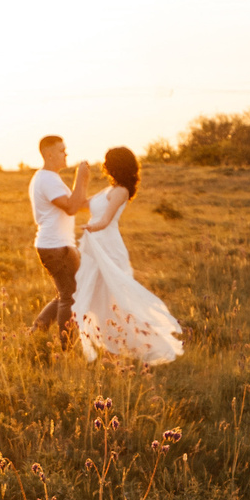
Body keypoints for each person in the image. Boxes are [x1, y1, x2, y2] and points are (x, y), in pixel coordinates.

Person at [70, 145, 184, 365]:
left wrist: (90, 228)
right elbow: (81, 205)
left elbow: (105, 220)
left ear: (115, 165)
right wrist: (81, 179)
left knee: (116, 297)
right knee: (94, 296)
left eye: (107, 161)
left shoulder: (121, 191)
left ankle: (138, 344)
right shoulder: (107, 190)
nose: (103, 165)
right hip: (95, 247)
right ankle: (109, 343)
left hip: (108, 247)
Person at [27, 136, 93, 345]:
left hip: (59, 245)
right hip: (55, 247)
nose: (66, 154)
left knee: (65, 293)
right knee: (69, 296)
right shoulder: (47, 179)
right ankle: (66, 345)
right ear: (49, 154)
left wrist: (108, 200)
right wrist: (81, 178)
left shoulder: (50, 178)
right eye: (62, 151)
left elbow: (77, 202)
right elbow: (72, 207)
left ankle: (37, 332)